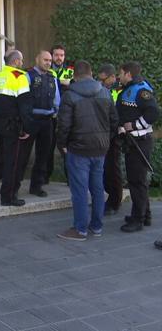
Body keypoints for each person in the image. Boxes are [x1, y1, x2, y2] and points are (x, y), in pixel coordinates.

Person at [56, 60, 118, 241]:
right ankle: (96, 227)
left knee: (80, 190)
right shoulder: (106, 93)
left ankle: (80, 229)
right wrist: (106, 139)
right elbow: (114, 121)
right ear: (91, 74)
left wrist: (63, 145)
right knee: (97, 188)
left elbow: (63, 125)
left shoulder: (69, 95)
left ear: (75, 75)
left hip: (78, 149)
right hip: (100, 148)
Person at [0, 50, 33, 206]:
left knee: (0, 157)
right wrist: (26, 129)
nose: (22, 63)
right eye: (21, 60)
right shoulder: (20, 78)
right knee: (12, 161)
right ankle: (8, 197)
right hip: (13, 126)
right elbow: (25, 107)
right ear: (16, 61)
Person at [116, 62, 159, 232]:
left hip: (139, 142)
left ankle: (137, 219)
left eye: (120, 73)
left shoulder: (141, 91)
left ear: (128, 74)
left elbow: (153, 113)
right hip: (132, 142)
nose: (119, 76)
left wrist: (133, 125)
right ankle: (145, 214)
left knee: (136, 182)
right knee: (138, 181)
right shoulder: (130, 88)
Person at [19, 51, 60, 197]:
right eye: (45, 60)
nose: (48, 62)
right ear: (37, 59)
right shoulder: (27, 76)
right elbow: (22, 100)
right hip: (31, 120)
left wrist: (56, 111)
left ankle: (37, 187)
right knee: (22, 155)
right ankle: (14, 186)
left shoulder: (52, 77)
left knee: (43, 156)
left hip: (47, 121)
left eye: (50, 60)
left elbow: (56, 99)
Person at [97, 64, 123, 215]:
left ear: (112, 77)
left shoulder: (119, 89)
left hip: (114, 135)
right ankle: (111, 198)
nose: (101, 82)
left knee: (113, 169)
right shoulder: (102, 88)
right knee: (106, 169)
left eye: (104, 79)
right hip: (104, 134)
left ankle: (114, 202)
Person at [46, 44, 74, 184]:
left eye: (61, 55)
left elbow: (74, 88)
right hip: (50, 116)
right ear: (51, 56)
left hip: (66, 116)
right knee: (47, 149)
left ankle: (70, 179)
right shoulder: (47, 70)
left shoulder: (69, 71)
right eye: (56, 55)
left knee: (67, 150)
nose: (59, 58)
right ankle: (44, 179)